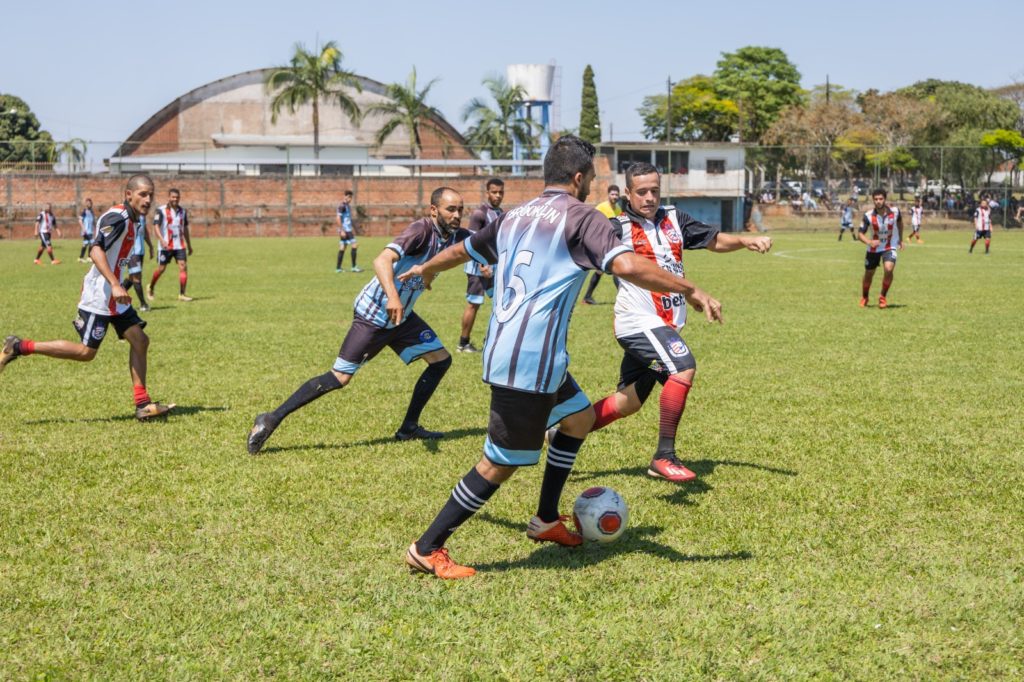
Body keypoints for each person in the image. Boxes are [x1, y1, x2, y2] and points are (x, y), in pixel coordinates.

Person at [397, 136, 722, 579]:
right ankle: (427, 546)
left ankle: (546, 519)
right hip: (527, 361)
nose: (591, 185)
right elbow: (626, 266)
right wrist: (690, 288)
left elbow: (463, 250)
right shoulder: (581, 216)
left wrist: (428, 267)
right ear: (578, 177)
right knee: (500, 463)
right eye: (590, 177)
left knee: (578, 420)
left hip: (533, 356)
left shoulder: (517, 214)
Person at [556, 161, 772, 483]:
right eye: (641, 192)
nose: (649, 197)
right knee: (682, 367)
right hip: (637, 324)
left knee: (628, 401)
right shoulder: (615, 229)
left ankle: (559, 434)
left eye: (654, 191)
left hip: (663, 329)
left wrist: (743, 241)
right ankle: (664, 456)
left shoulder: (674, 219)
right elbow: (572, 251)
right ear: (627, 193)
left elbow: (712, 240)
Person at [247, 187, 468, 455]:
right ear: (434, 210)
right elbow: (382, 259)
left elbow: (483, 244)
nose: (457, 215)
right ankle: (270, 419)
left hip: (402, 318)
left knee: (441, 360)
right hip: (375, 314)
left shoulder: (456, 237)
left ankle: (408, 428)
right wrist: (392, 297)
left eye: (460, 210)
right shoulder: (420, 231)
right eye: (451, 209)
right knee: (339, 377)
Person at [0, 175, 174, 421]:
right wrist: (114, 284)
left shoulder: (136, 219)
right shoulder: (118, 217)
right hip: (100, 296)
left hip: (115, 298)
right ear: (129, 195)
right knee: (86, 352)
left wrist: (121, 284)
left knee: (140, 341)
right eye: (143, 194)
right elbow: (95, 250)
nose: (148, 199)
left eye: (151, 195)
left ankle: (142, 404)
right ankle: (18, 346)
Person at [457, 178, 503, 353]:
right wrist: (482, 264)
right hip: (478, 268)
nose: (498, 195)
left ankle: (490, 340)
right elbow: (472, 241)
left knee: (500, 303)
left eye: (500, 192)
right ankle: (463, 343)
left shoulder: (500, 213)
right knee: (473, 303)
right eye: (494, 192)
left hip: (493, 268)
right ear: (487, 193)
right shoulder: (479, 214)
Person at [857, 188, 903, 309]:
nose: (878, 201)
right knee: (869, 274)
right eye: (876, 199)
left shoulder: (895, 212)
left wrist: (901, 239)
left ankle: (882, 296)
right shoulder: (868, 216)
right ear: (873, 200)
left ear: (885, 199)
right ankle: (865, 296)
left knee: (888, 269)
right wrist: (869, 241)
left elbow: (900, 222)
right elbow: (860, 234)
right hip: (874, 248)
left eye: (880, 199)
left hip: (889, 246)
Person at [148, 188, 194, 302]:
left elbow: (185, 228)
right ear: (169, 197)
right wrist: (162, 240)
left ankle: (182, 294)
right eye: (173, 197)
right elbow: (156, 226)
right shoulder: (161, 210)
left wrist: (189, 244)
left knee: (183, 266)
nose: (175, 199)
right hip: (165, 246)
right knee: (161, 269)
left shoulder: (182, 211)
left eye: (177, 197)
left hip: (179, 245)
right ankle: (151, 287)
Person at [581, 184, 623, 304]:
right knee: (616, 270)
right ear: (608, 195)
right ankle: (623, 298)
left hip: (612, 243)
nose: (614, 196)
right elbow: (591, 223)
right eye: (612, 194)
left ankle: (587, 297)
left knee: (601, 271)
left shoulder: (618, 209)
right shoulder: (601, 207)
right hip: (602, 243)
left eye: (616, 194)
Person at [125, 211, 155, 313]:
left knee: (132, 277)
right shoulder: (127, 214)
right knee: (137, 278)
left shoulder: (141, 214)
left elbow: (144, 230)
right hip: (132, 252)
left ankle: (113, 296)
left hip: (140, 251)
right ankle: (143, 304)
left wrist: (150, 246)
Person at [335, 190, 362, 273]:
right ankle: (354, 267)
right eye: (349, 197)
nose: (350, 199)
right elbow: (338, 218)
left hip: (347, 229)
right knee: (354, 245)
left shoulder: (347, 206)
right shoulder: (342, 206)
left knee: (343, 247)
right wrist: (342, 230)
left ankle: (338, 268)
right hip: (346, 230)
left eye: (351, 197)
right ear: (345, 196)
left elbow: (348, 219)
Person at [78, 198, 96, 263]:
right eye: (88, 203)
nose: (89, 204)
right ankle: (83, 257)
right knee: (91, 243)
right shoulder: (84, 212)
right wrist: (83, 229)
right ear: (86, 204)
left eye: (90, 203)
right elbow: (80, 220)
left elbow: (93, 221)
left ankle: (85, 257)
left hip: (90, 231)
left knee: (87, 243)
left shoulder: (92, 212)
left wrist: (95, 228)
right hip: (86, 231)